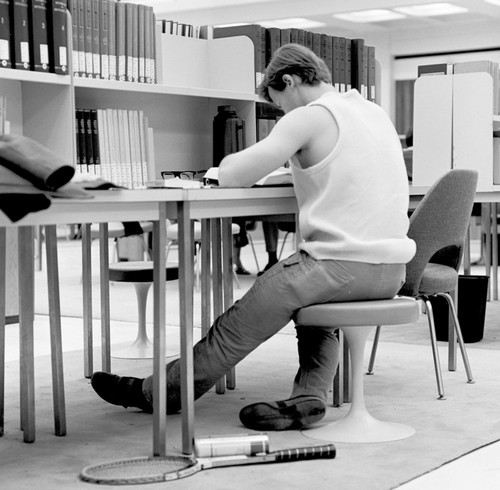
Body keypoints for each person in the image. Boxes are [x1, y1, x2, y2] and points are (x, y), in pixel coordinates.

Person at [91, 44, 416, 431]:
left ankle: (158, 393)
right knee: (312, 309)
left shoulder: (312, 116)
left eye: (278, 103)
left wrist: (227, 164)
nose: (281, 113)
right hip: (391, 270)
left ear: (289, 81)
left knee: (236, 325)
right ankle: (309, 397)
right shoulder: (371, 112)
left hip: (341, 266)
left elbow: (232, 175)